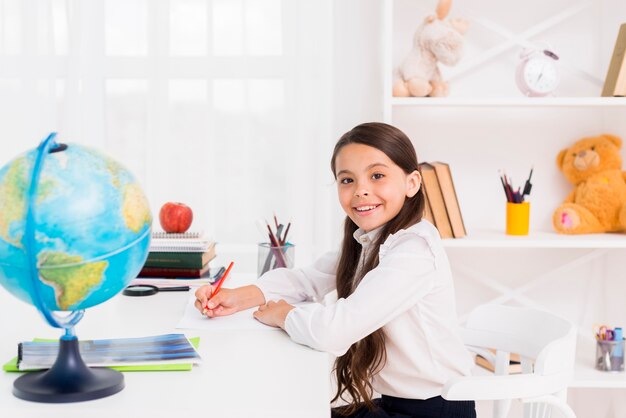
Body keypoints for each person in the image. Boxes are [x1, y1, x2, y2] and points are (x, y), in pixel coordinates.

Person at [194, 122, 476, 418]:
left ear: (412, 183)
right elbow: (308, 279)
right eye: (347, 180)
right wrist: (240, 296)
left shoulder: (414, 250)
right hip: (396, 404)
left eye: (377, 176)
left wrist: (285, 314)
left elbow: (334, 330)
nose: (361, 191)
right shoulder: (371, 241)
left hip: (436, 410)